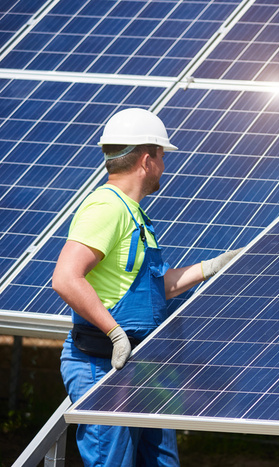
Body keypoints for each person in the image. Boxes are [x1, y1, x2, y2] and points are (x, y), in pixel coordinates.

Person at [52, 108, 240, 466]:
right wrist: (114, 332)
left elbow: (159, 287)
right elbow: (65, 277)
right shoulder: (106, 207)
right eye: (163, 156)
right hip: (103, 364)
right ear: (146, 158)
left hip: (143, 367)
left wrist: (211, 267)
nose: (164, 164)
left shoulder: (134, 213)